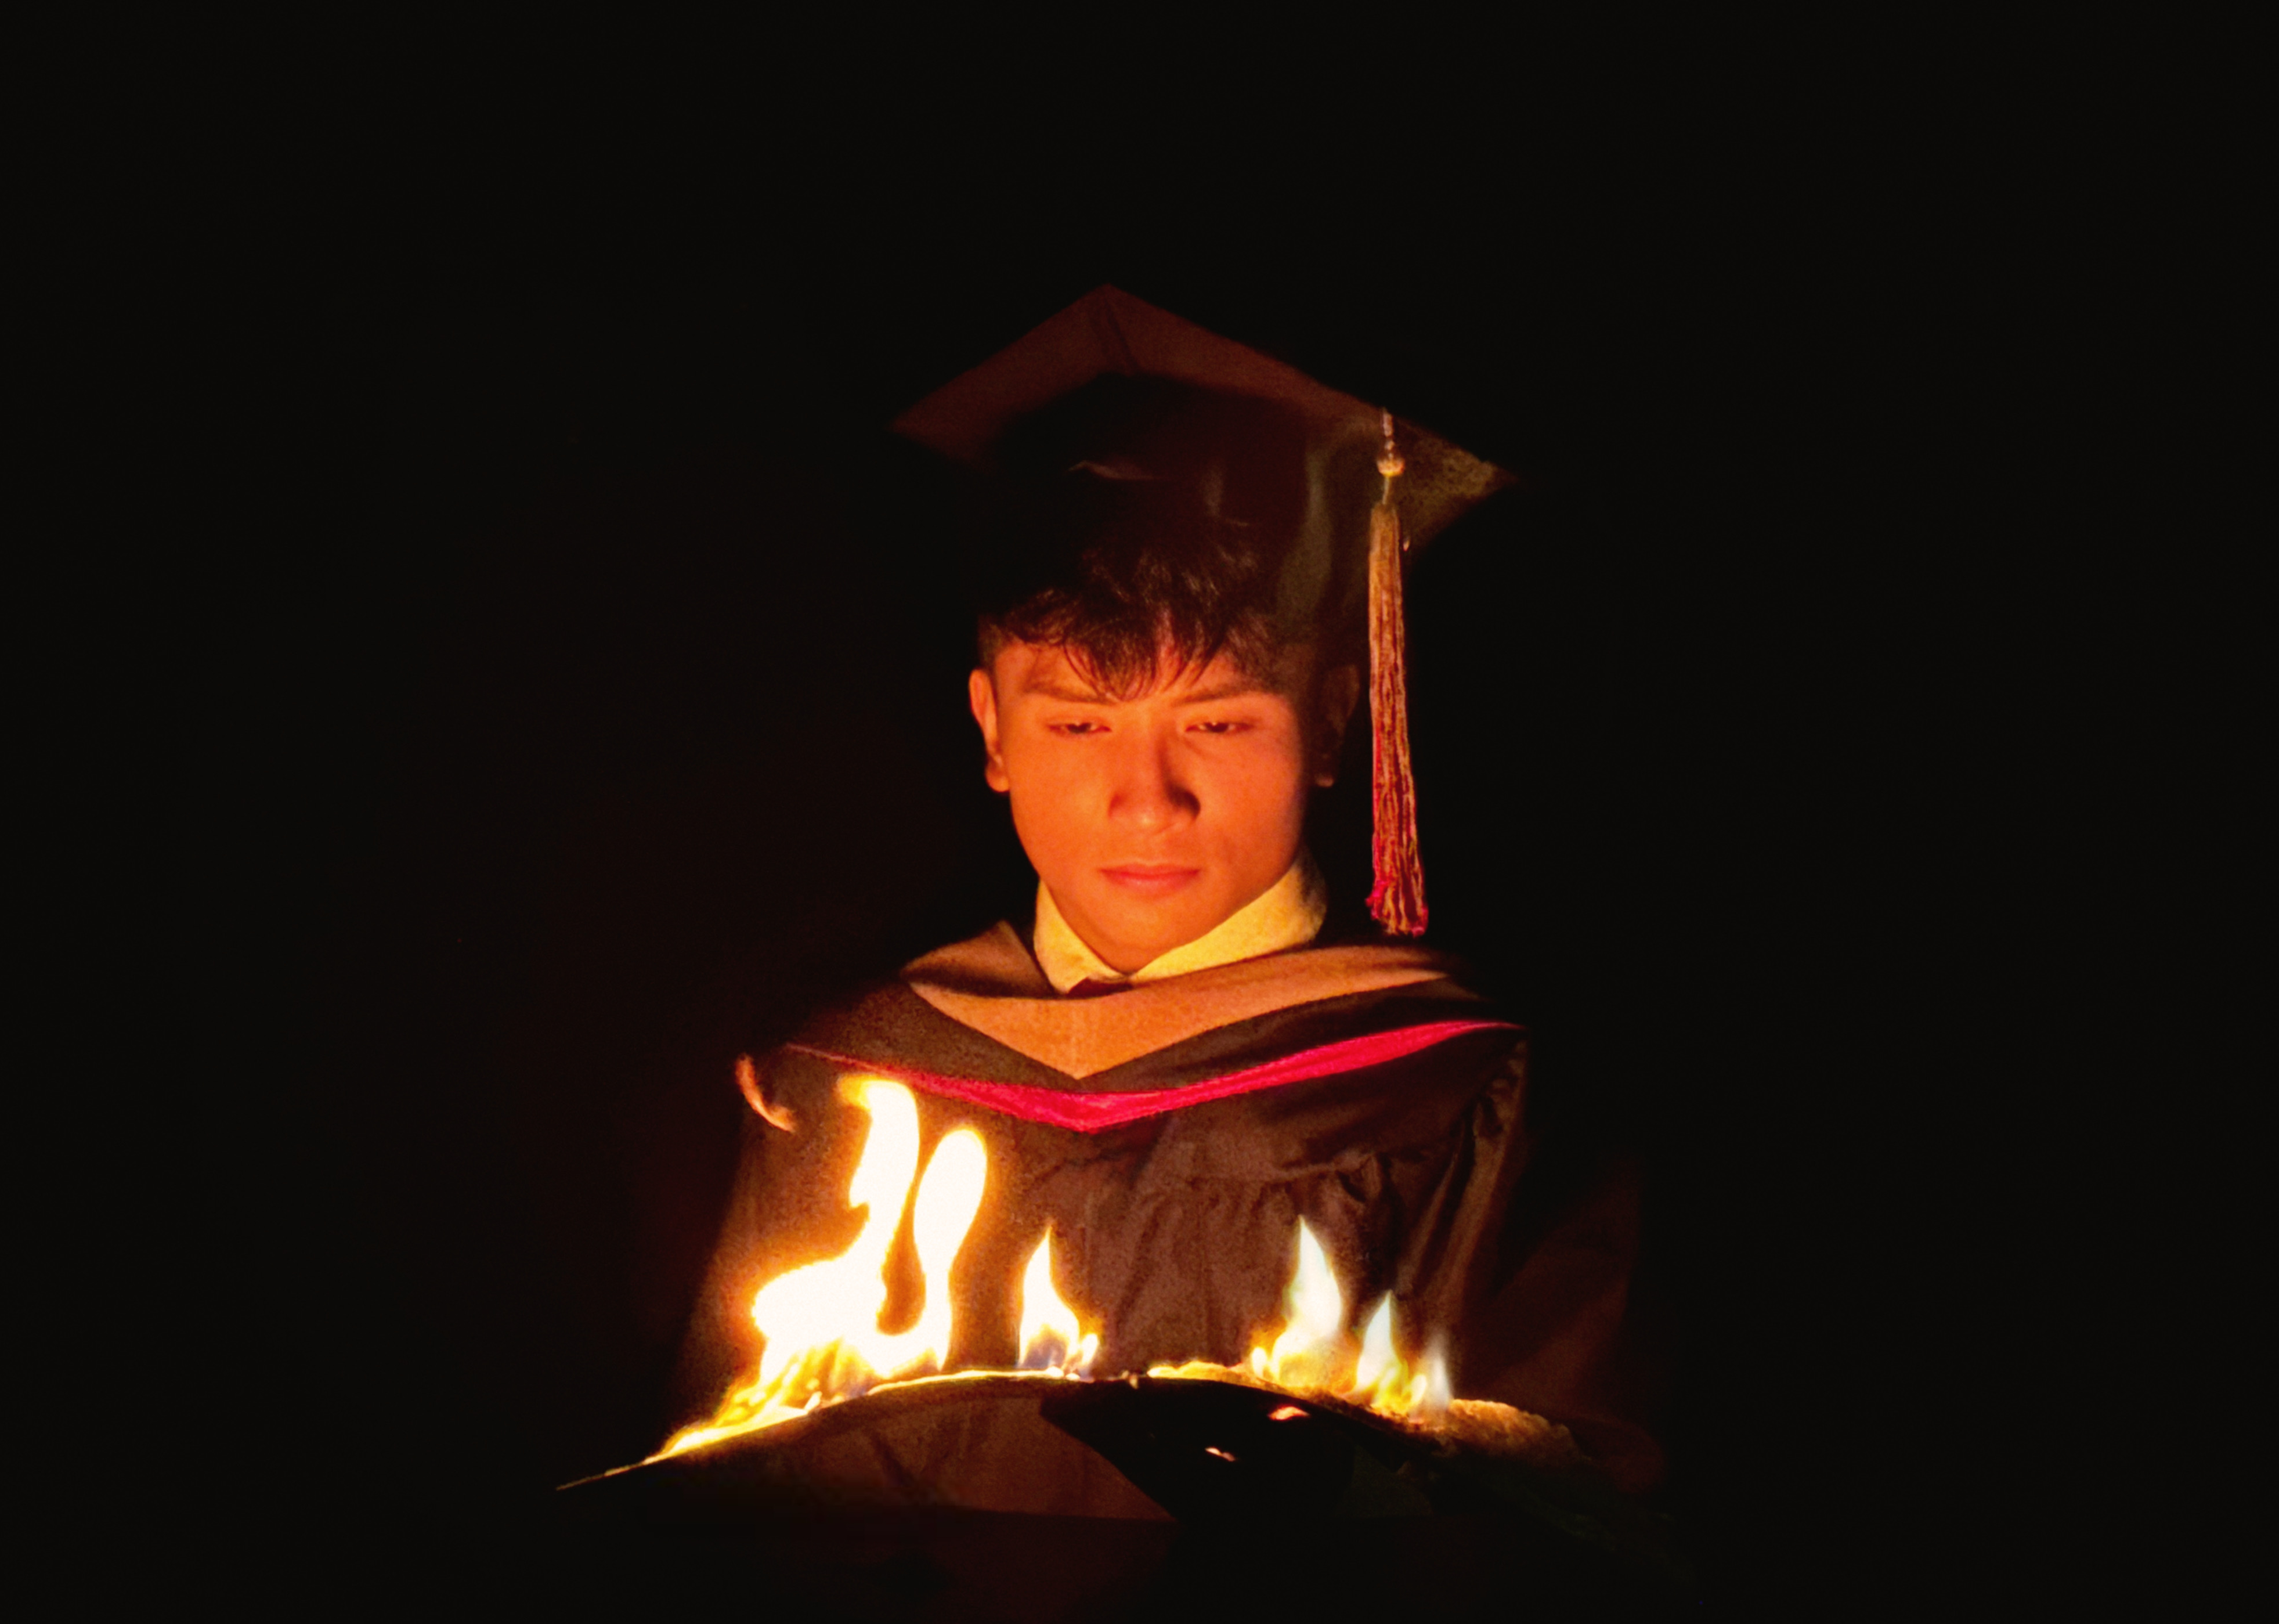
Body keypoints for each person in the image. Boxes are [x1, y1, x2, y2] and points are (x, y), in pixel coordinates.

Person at [671, 288, 1660, 1493]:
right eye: (1080, 720)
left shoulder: (1467, 1097)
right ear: (990, 729)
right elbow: (726, 1509)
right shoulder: (847, 1082)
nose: (1146, 799)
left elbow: (1580, 1532)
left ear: (1333, 718)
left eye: (1218, 719)